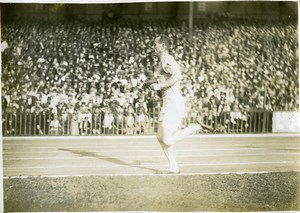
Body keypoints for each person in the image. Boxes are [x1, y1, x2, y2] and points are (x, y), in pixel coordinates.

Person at [150, 35, 213, 174]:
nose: (153, 46)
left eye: (156, 44)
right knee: (160, 137)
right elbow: (166, 77)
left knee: (167, 139)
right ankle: (174, 167)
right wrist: (152, 83)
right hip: (167, 102)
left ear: (163, 46)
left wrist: (160, 86)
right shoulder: (163, 61)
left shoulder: (167, 59)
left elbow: (178, 76)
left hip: (173, 102)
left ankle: (195, 127)